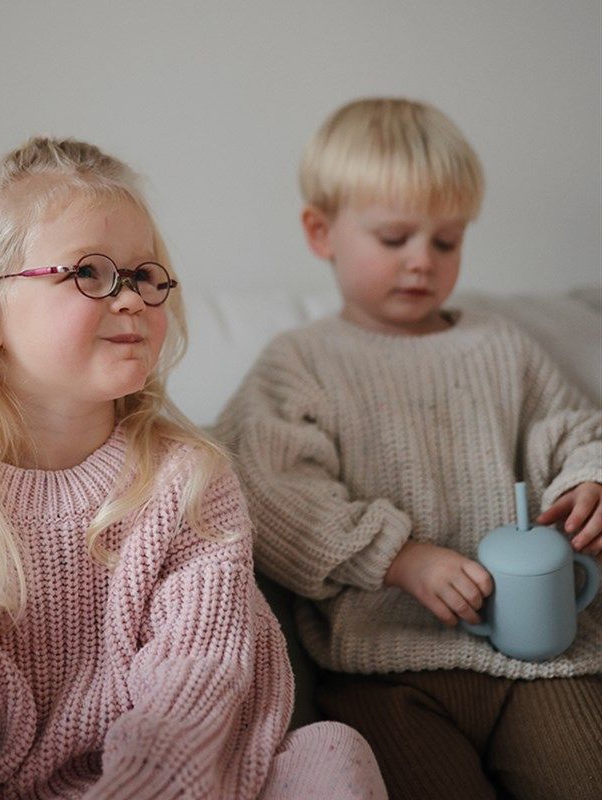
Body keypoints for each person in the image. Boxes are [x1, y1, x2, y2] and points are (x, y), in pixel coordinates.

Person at [0, 137, 386, 799]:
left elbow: (193, 701)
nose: (133, 298)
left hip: (166, 785)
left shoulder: (190, 485)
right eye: (89, 273)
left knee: (331, 755)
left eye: (144, 275)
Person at [215, 98, 602, 800]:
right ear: (320, 231)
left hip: (545, 661)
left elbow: (578, 427)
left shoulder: (500, 345)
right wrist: (396, 557)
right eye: (395, 238)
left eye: (447, 242)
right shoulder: (299, 362)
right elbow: (268, 491)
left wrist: (588, 481)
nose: (422, 261)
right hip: (385, 674)